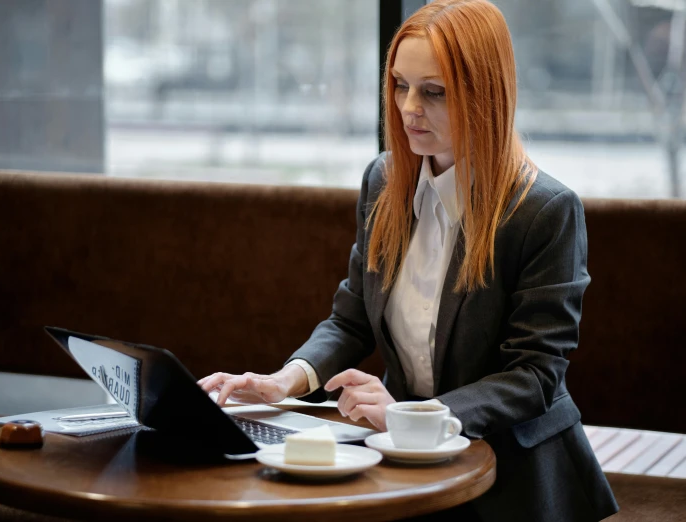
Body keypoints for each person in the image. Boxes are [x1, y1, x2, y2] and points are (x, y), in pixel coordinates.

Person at [198, 1, 618, 520]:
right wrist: (283, 383)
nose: (408, 107)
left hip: (516, 476)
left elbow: (534, 376)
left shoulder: (544, 211)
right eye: (400, 85)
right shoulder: (385, 180)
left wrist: (410, 416)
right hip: (406, 459)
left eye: (433, 91)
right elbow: (350, 319)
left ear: (486, 94)